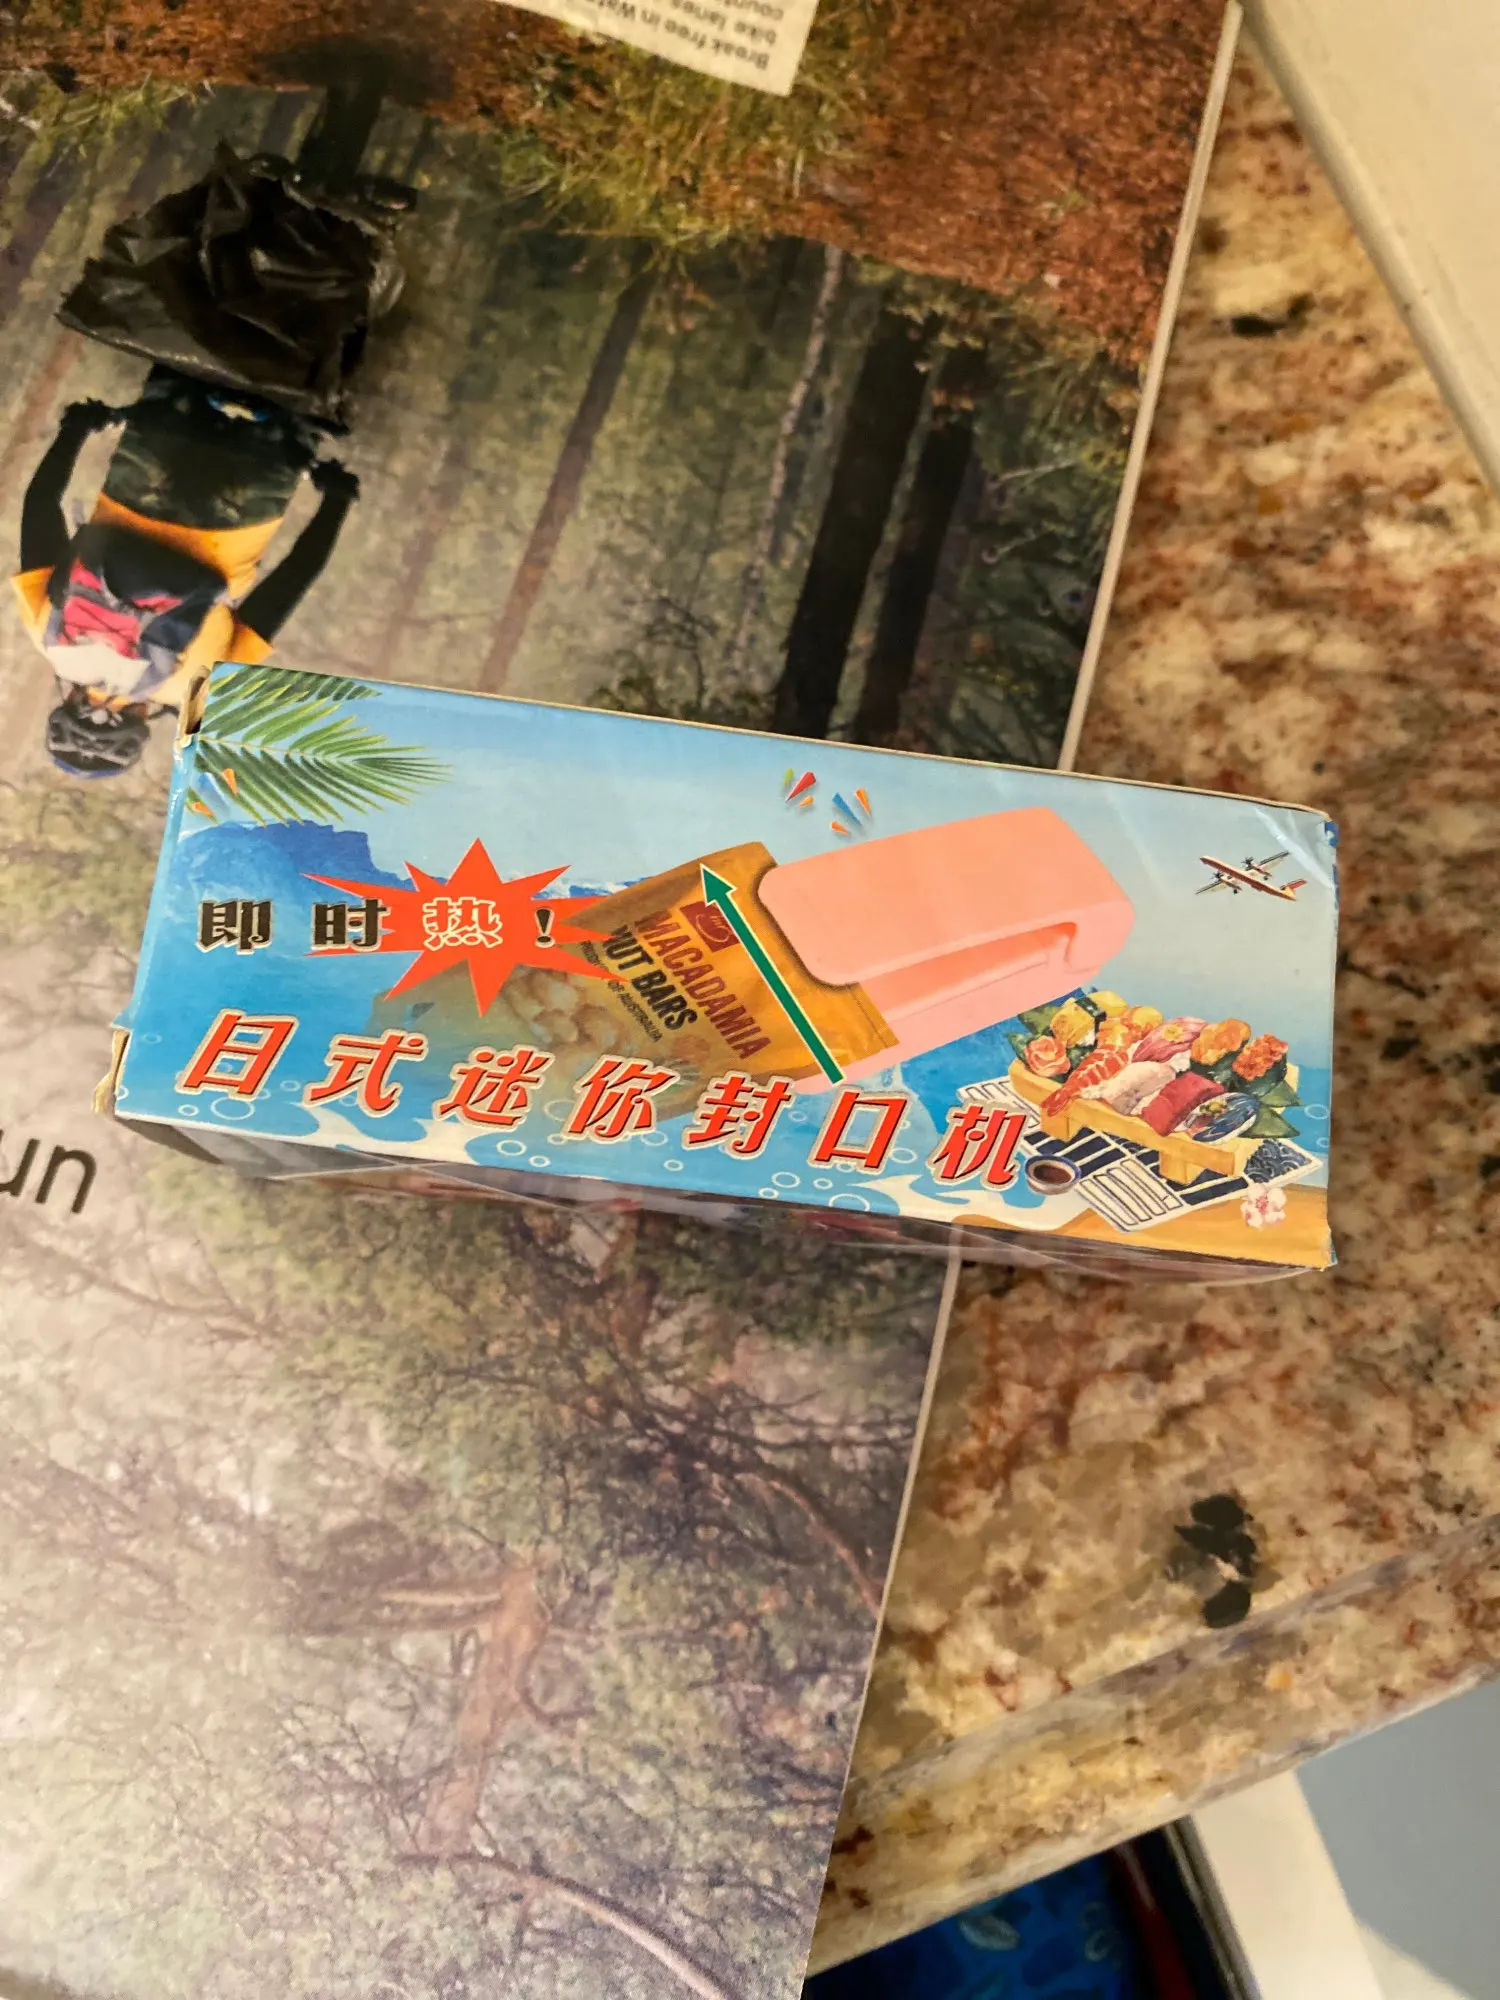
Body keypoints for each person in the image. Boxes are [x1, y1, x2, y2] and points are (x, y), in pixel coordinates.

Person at [12, 368, 360, 779]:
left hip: (248, 497)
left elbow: (292, 581)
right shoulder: (46, 635)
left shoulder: (200, 687)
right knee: (186, 354)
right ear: (66, 701)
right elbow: (40, 505)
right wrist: (76, 427)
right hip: (148, 468)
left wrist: (336, 498)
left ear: (142, 722)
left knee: (312, 383)